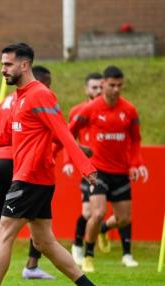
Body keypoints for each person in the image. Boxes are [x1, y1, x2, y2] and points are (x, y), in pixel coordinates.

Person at [0, 43, 107, 286]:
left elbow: (64, 134)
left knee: (3, 232)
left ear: (24, 65)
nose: (3, 70)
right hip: (33, 178)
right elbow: (5, 138)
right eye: (2, 65)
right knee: (45, 242)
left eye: (8, 65)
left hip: (30, 178)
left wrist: (86, 168)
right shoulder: (20, 98)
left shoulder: (41, 95)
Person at [0, 65, 55, 280]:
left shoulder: (8, 100)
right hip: (19, 161)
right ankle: (31, 264)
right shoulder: (37, 98)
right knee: (16, 221)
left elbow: (0, 131)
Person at [69, 65, 148, 273]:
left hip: (121, 172)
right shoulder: (90, 108)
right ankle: (88, 255)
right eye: (112, 85)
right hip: (98, 171)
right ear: (103, 84)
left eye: (119, 85)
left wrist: (135, 163)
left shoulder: (129, 110)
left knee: (124, 219)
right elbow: (69, 133)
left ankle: (104, 230)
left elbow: (136, 140)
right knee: (97, 212)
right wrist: (75, 154)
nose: (115, 89)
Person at [65, 72, 103, 265]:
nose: (98, 91)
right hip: (87, 169)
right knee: (89, 213)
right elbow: (67, 137)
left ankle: (97, 238)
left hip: (107, 168)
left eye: (100, 87)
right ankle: (77, 246)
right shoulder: (77, 111)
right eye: (94, 87)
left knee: (102, 214)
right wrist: (67, 162)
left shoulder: (109, 111)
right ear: (86, 89)